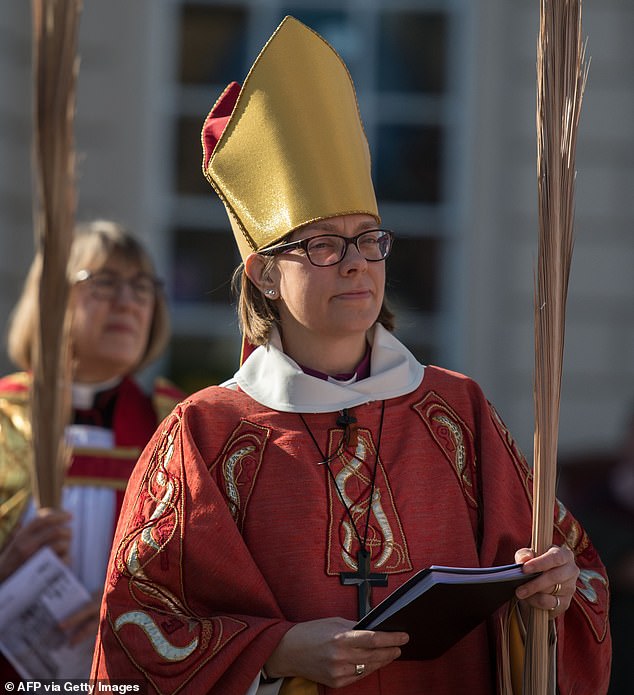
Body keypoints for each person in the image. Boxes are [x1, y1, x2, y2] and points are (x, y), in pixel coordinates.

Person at [91, 17, 611, 694]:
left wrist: (555, 589)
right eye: (322, 245)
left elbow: (573, 570)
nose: (356, 264)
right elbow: (133, 628)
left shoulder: (459, 411)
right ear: (263, 273)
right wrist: (276, 651)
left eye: (369, 240)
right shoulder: (202, 436)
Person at [0, 220, 184, 678]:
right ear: (52, 298)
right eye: (104, 283)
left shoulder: (174, 426)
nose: (127, 301)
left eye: (142, 287)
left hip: (126, 672)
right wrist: (11, 565)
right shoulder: (4, 418)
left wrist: (127, 611)